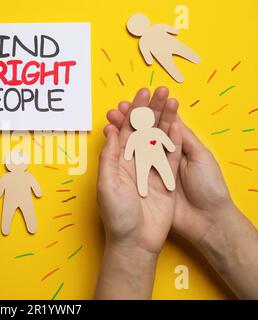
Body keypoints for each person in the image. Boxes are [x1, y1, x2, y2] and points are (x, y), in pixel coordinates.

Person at [95, 86, 258, 299]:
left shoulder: (154, 134)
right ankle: (144, 186)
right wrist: (131, 246)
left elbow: (166, 144)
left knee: (160, 169)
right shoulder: (141, 137)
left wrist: (217, 218)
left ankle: (148, 185)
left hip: (157, 156)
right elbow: (132, 152)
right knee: (143, 174)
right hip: (147, 158)